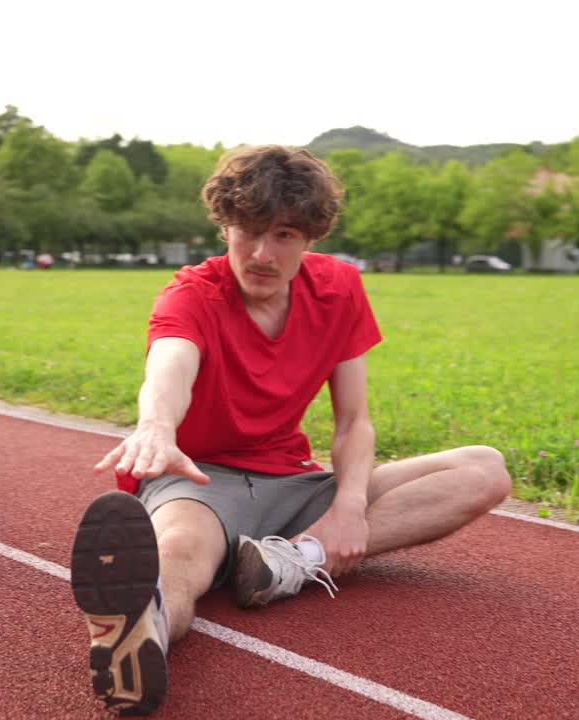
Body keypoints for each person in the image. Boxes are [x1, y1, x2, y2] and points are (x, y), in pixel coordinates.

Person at [69, 145, 511, 716]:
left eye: (282, 234)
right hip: (203, 481)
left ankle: (288, 563)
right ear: (224, 225)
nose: (260, 253)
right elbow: (169, 368)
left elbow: (354, 420)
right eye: (247, 230)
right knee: (176, 552)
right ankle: (136, 634)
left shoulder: (340, 288)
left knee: (483, 468)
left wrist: (349, 504)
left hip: (295, 483)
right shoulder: (191, 295)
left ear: (309, 238)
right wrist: (156, 425)